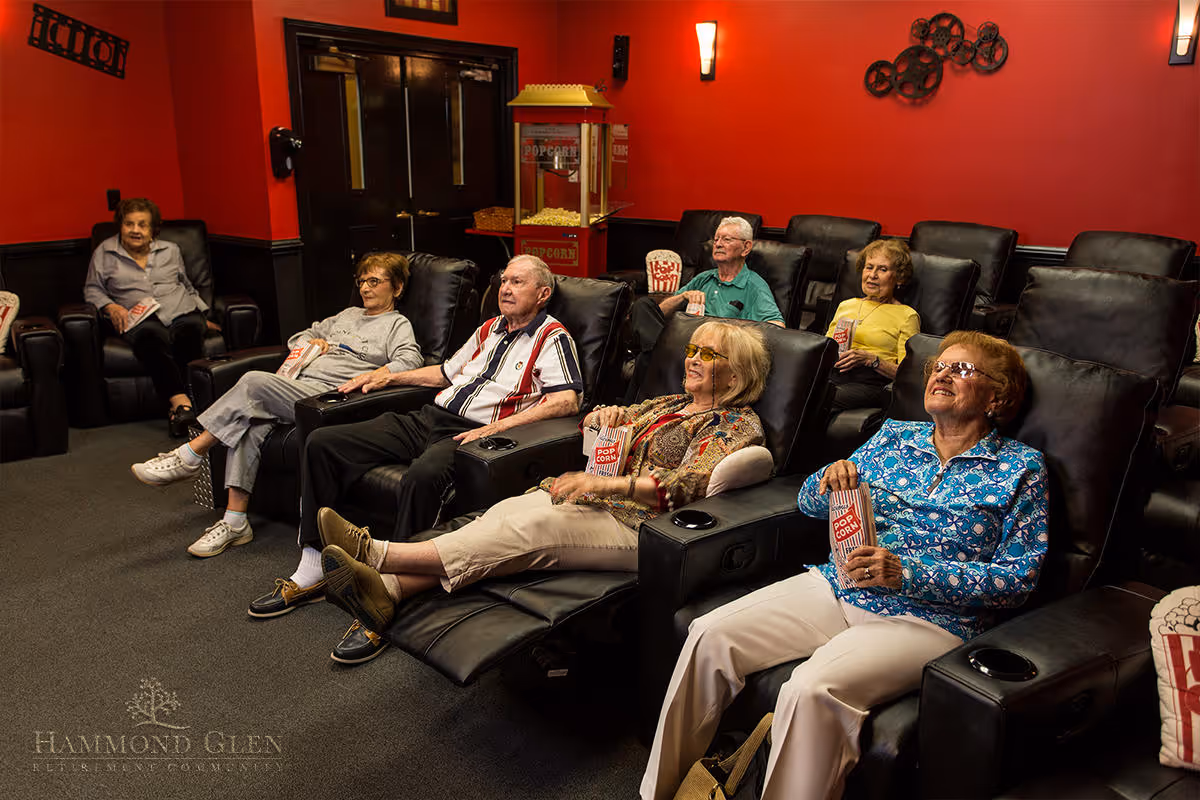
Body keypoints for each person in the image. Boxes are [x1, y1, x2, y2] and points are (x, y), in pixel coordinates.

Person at [642, 331, 1048, 800]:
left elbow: (1018, 579)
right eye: (939, 367)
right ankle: (659, 793)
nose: (941, 375)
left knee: (810, 688)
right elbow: (811, 500)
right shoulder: (895, 436)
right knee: (710, 634)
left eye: (961, 370)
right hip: (840, 586)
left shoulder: (1020, 468)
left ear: (997, 396)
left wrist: (908, 573)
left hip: (928, 617)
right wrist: (828, 477)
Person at [315, 320, 771, 664]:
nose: (691, 358)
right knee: (500, 517)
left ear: (736, 375)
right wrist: (603, 417)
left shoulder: (733, 423)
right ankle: (390, 590)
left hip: (645, 528)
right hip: (596, 501)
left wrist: (602, 482)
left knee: (529, 528)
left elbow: (690, 483)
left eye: (708, 355)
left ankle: (378, 554)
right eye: (692, 348)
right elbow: (605, 418)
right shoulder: (671, 403)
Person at [245, 255, 581, 622]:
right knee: (324, 442)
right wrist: (387, 376)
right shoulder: (489, 329)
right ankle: (313, 565)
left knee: (421, 477)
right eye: (503, 280)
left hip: (472, 434)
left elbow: (566, 400)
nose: (505, 288)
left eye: (517, 282)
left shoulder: (552, 337)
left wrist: (498, 428)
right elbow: (445, 374)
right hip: (430, 417)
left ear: (543, 293)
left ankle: (390, 590)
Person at [128, 252, 422, 558]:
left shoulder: (396, 324)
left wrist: (375, 373)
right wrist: (312, 344)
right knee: (250, 421)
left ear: (397, 288)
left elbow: (410, 359)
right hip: (297, 384)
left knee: (254, 381)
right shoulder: (346, 315)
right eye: (361, 281)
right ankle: (235, 521)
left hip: (331, 397)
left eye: (374, 281)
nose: (365, 288)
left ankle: (191, 453)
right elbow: (302, 335)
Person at [84, 198, 211, 436]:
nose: (135, 230)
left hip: (179, 309)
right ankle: (181, 405)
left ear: (153, 229)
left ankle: (200, 405)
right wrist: (110, 306)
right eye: (129, 223)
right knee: (151, 339)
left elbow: (186, 284)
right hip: (138, 317)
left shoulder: (171, 250)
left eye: (142, 225)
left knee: (190, 332)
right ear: (120, 226)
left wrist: (202, 313)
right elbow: (92, 289)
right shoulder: (105, 252)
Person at [625, 216, 783, 401]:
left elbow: (777, 326)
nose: (718, 244)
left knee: (647, 358)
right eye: (716, 239)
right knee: (643, 305)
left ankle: (655, 362)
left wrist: (734, 331)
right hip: (681, 341)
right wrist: (682, 297)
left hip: (709, 353)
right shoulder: (704, 278)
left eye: (727, 239)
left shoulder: (754, 285)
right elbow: (660, 312)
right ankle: (659, 355)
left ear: (746, 247)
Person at [824, 239, 921, 411]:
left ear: (899, 277)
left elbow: (908, 374)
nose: (872, 275)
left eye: (882, 269)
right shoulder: (846, 305)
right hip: (834, 373)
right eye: (869, 267)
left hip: (871, 381)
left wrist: (871, 360)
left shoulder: (906, 315)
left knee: (820, 398)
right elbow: (826, 347)